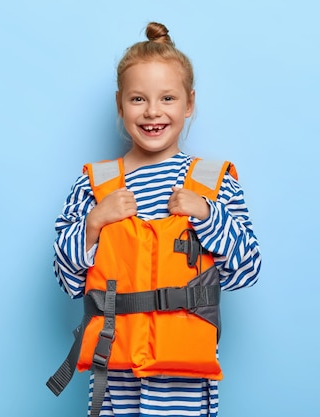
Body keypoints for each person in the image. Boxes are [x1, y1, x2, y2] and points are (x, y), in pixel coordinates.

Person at [51, 22, 262, 417]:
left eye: (167, 97)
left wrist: (208, 215)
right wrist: (94, 222)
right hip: (116, 378)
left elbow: (246, 271)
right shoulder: (93, 185)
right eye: (137, 99)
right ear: (119, 104)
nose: (152, 112)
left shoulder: (213, 185)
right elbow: (66, 281)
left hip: (185, 388)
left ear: (189, 103)